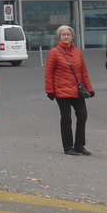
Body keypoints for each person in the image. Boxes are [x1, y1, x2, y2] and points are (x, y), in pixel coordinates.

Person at [44, 24, 96, 156]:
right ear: (59, 37)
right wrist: (50, 90)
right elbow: (49, 72)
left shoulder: (78, 52)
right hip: (61, 91)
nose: (66, 37)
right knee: (66, 118)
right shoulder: (54, 53)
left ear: (72, 36)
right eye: (63, 35)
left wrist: (89, 89)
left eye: (68, 34)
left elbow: (83, 71)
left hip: (77, 91)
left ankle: (79, 145)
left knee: (82, 116)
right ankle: (68, 146)